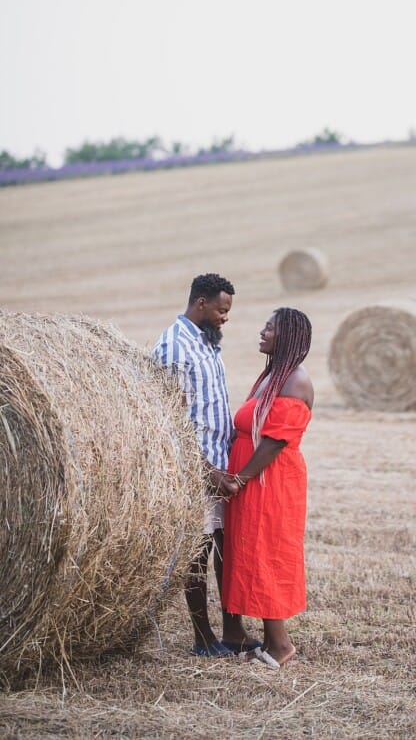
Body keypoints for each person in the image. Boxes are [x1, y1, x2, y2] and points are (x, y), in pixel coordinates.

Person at [152, 273, 260, 658]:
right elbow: (171, 421)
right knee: (197, 555)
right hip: (194, 471)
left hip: (221, 464)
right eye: (221, 309)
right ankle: (203, 638)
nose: (225, 317)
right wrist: (205, 470)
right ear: (201, 303)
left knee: (227, 551)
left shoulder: (207, 343)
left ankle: (233, 632)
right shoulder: (174, 347)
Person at [223, 307, 314, 669]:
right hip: (255, 478)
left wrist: (238, 478)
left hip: (270, 481)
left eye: (270, 328)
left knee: (267, 554)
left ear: (288, 336)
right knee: (251, 552)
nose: (262, 332)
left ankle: (281, 645)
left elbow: (275, 441)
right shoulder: (273, 375)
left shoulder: (296, 380)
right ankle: (263, 636)